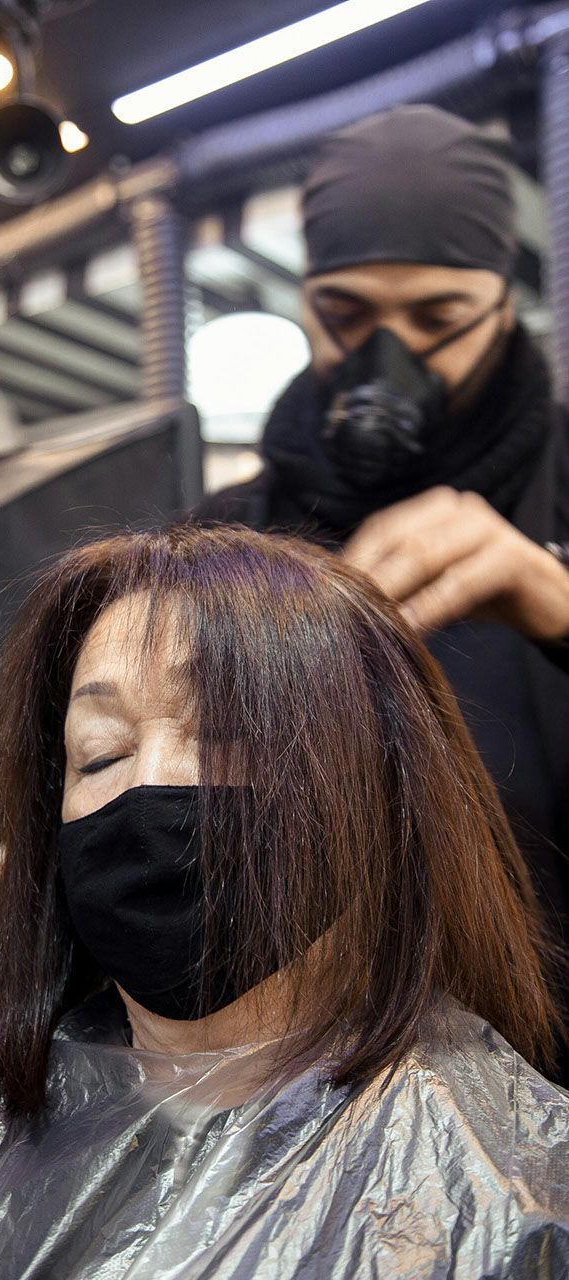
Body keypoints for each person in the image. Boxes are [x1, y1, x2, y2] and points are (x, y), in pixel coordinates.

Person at [0, 526, 568, 1279]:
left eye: (224, 731)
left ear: (381, 793)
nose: (152, 784)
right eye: (98, 755)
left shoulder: (507, 1200)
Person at [194, 106, 569, 1079]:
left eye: (438, 320)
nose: (384, 358)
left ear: (503, 301)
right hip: (308, 1083)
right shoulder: (233, 524)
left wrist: (554, 602)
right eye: (346, 315)